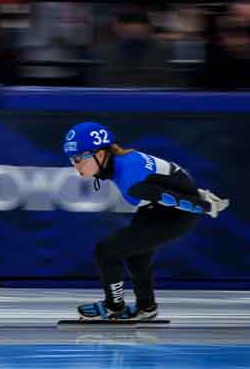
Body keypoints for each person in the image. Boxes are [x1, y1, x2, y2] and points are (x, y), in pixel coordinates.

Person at [62, 121, 230, 322]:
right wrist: (194, 192)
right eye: (72, 159)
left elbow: (171, 198)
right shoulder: (119, 163)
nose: (76, 165)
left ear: (100, 154)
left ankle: (114, 307)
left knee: (106, 251)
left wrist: (204, 205)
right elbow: (171, 178)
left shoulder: (131, 178)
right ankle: (146, 307)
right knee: (136, 257)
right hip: (159, 207)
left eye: (80, 158)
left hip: (178, 213)